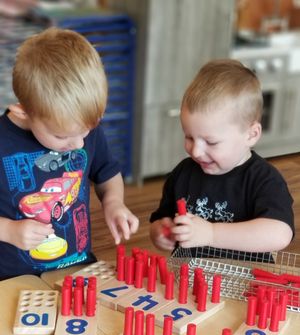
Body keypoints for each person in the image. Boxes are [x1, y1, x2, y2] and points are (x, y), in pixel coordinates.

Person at [0, 27, 139, 279]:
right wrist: (8, 230)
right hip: (13, 281)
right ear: (23, 112)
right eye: (62, 137)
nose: (77, 144)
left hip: (78, 268)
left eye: (87, 130)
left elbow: (107, 173)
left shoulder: (80, 127)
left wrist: (113, 202)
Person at [150, 59, 294, 260]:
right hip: (189, 281)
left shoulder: (264, 179)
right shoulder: (183, 173)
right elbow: (162, 218)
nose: (197, 151)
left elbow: (279, 234)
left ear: (251, 135)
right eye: (189, 137)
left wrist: (210, 233)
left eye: (211, 142)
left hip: (246, 284)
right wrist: (161, 232)